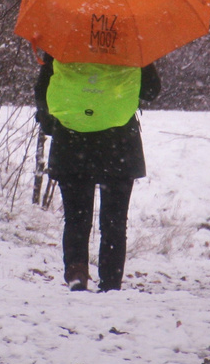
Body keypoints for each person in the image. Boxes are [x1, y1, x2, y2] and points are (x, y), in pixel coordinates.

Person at [35, 54, 161, 291]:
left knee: (76, 218)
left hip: (71, 142)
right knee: (114, 221)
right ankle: (111, 281)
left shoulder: (64, 43)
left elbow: (42, 92)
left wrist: (52, 125)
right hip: (119, 143)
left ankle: (76, 272)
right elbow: (152, 91)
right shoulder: (129, 44)